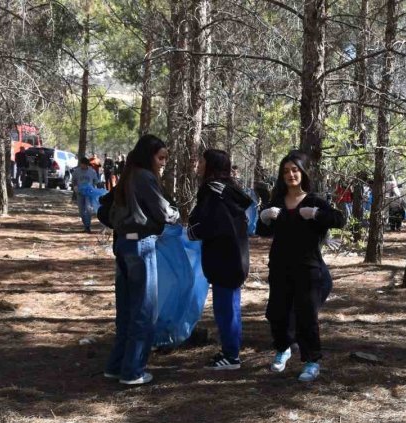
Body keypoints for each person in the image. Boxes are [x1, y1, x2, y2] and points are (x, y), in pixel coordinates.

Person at [259, 151, 345, 382]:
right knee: (277, 312)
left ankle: (311, 361)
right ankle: (283, 349)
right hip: (280, 266)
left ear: (303, 172)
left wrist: (316, 214)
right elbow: (262, 231)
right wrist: (265, 216)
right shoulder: (277, 201)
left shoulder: (314, 200)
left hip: (308, 267)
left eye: (295, 170)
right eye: (286, 171)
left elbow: (339, 220)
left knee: (306, 315)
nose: (291, 175)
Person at [104, 134, 179, 386]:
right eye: (160, 158)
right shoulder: (145, 177)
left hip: (124, 243)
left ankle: (116, 365)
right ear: (149, 156)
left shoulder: (128, 175)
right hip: (140, 245)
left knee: (126, 308)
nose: (163, 163)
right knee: (144, 309)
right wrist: (176, 214)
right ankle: (133, 370)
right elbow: (163, 211)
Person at [187, 149, 252, 370]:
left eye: (202, 161)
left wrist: (192, 230)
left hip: (224, 258)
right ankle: (230, 351)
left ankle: (232, 356)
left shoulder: (213, 191)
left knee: (226, 309)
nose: (198, 165)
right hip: (235, 257)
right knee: (230, 307)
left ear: (211, 165)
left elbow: (210, 223)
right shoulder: (229, 189)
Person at [71, 156, 101, 233]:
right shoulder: (76, 171)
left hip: (89, 193)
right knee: (81, 211)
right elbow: (73, 180)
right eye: (82, 164)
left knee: (88, 209)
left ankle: (88, 226)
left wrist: (97, 190)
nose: (83, 166)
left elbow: (96, 181)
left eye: (84, 164)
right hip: (80, 193)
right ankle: (85, 225)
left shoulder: (92, 171)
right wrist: (75, 187)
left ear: (87, 164)